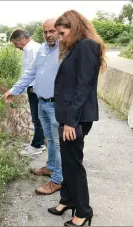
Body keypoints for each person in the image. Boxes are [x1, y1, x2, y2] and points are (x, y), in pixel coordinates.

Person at [48, 10, 106, 226]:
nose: (60, 38)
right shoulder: (77, 47)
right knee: (68, 161)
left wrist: (71, 122)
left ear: (75, 27)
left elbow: (84, 86)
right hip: (70, 116)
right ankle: (67, 199)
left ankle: (83, 210)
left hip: (76, 119)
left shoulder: (87, 46)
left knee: (74, 164)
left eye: (62, 33)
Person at [1, 19, 62, 195]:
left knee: (58, 144)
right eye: (45, 32)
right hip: (42, 101)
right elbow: (31, 72)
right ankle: (50, 167)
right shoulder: (42, 49)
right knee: (49, 139)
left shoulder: (65, 50)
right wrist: (14, 89)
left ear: (59, 31)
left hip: (55, 104)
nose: (49, 34)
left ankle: (58, 179)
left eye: (52, 31)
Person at [9, 28, 45, 156]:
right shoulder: (32, 48)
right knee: (38, 116)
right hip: (34, 86)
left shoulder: (32, 49)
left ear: (22, 39)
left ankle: (37, 145)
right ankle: (39, 141)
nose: (15, 46)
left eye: (15, 43)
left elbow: (37, 70)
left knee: (37, 116)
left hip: (35, 88)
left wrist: (34, 86)